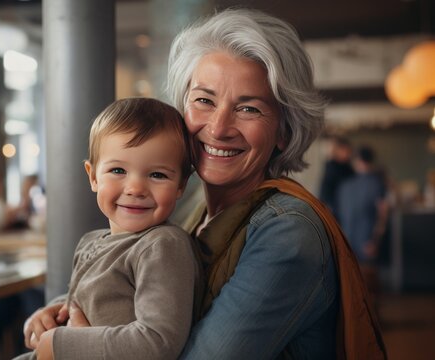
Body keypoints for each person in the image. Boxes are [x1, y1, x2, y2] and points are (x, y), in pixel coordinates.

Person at [65, 8, 386, 359]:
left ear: (283, 129)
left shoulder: (289, 233)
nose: (218, 128)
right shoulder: (196, 214)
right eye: (204, 100)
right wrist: (65, 310)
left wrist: (75, 344)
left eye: (248, 109)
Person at [19, 97, 201, 360]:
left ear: (181, 185)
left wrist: (61, 345)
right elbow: (89, 299)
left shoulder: (161, 246)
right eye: (118, 170)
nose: (136, 188)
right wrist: (52, 312)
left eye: (157, 175)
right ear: (93, 176)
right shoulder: (91, 242)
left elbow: (158, 341)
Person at [337, 145, 389, 310]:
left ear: (356, 161)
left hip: (347, 240)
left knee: (352, 286)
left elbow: (339, 215)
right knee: (371, 286)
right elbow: (383, 215)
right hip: (368, 241)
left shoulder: (344, 186)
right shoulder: (378, 183)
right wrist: (375, 240)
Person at [319, 136, 355, 218]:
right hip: (335, 209)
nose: (349, 154)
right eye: (346, 150)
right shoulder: (333, 167)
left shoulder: (346, 167)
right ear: (339, 150)